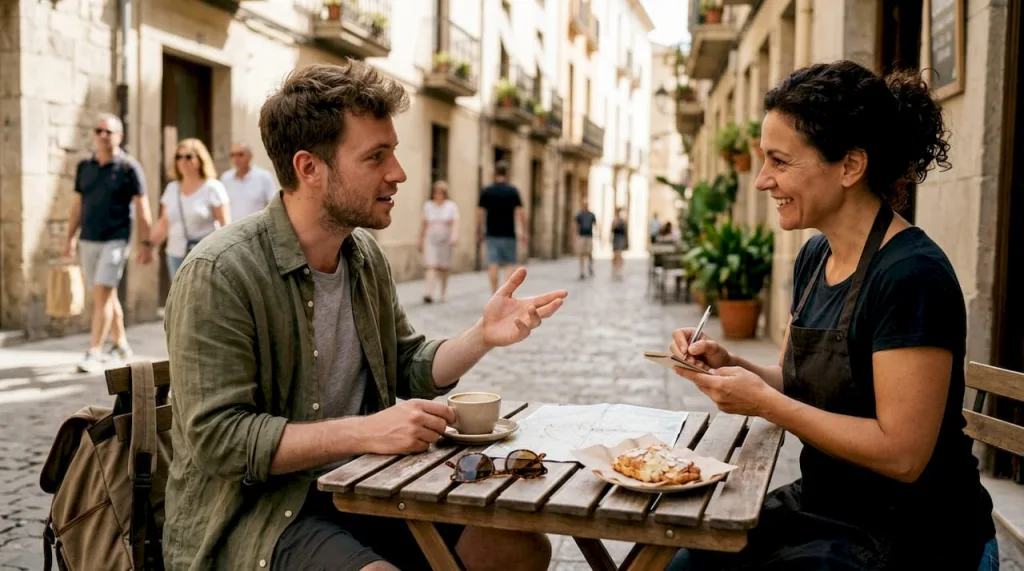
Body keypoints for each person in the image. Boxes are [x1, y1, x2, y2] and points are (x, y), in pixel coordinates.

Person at [162, 62, 565, 571]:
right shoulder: (220, 272)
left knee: (519, 546)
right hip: (259, 515)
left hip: (366, 487)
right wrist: (366, 431)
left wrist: (482, 336)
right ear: (309, 169)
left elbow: (407, 365)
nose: (398, 172)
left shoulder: (363, 256)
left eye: (393, 152)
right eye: (376, 157)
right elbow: (220, 440)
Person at [666, 60, 996, 571]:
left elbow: (903, 455)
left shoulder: (911, 275)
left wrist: (764, 404)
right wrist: (732, 365)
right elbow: (798, 383)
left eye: (779, 161)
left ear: (849, 166)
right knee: (683, 561)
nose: (761, 181)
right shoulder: (815, 258)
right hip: (825, 508)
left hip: (915, 533)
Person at [64, 113, 153, 373]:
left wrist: (146, 244)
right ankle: (122, 343)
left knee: (102, 292)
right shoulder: (84, 167)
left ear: (120, 136)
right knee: (105, 294)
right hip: (88, 239)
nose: (103, 135)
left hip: (116, 239)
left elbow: (143, 207)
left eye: (109, 131)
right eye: (99, 130)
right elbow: (76, 206)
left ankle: (94, 351)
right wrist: (69, 239)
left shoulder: (129, 167)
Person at [150, 138, 231, 279]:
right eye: (178, 157)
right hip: (175, 254)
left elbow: (226, 225)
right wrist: (149, 246)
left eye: (188, 157)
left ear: (200, 160)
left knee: (201, 297)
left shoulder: (213, 187)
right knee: (179, 298)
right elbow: (164, 223)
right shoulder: (172, 188)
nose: (183, 161)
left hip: (204, 255)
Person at [478, 160, 527, 293]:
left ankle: (494, 294)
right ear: (507, 174)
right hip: (508, 234)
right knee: (509, 265)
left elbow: (480, 213)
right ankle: (506, 295)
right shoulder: (512, 191)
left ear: (495, 173)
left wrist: (480, 230)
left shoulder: (487, 191)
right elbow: (520, 213)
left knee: (492, 264)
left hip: (492, 233)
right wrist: (524, 232)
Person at [418, 179, 459, 303]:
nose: (438, 195)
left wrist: (454, 236)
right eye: (437, 192)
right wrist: (420, 239)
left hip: (445, 239)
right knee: (431, 265)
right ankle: (429, 293)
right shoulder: (428, 205)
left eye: (441, 193)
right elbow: (423, 224)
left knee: (444, 267)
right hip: (431, 238)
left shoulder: (450, 206)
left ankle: (443, 292)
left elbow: (455, 223)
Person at [221, 141, 278, 221]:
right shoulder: (225, 178)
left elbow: (273, 206)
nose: (236, 159)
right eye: (232, 155)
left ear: (250, 155)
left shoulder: (264, 177)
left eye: (240, 154)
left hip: (257, 230)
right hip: (233, 230)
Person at [574, 199, 598, 279]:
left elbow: (595, 224)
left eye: (586, 204)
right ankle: (582, 271)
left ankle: (590, 266)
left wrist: (597, 234)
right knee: (581, 253)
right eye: (584, 204)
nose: (585, 206)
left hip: (589, 236)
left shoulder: (591, 215)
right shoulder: (579, 215)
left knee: (589, 253)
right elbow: (576, 225)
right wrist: (575, 236)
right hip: (581, 236)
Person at [610, 208, 628, 279]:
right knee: (615, 255)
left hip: (621, 239)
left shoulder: (623, 221)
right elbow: (612, 230)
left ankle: (619, 270)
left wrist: (626, 242)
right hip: (616, 238)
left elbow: (625, 231)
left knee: (620, 255)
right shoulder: (614, 220)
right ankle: (615, 269)